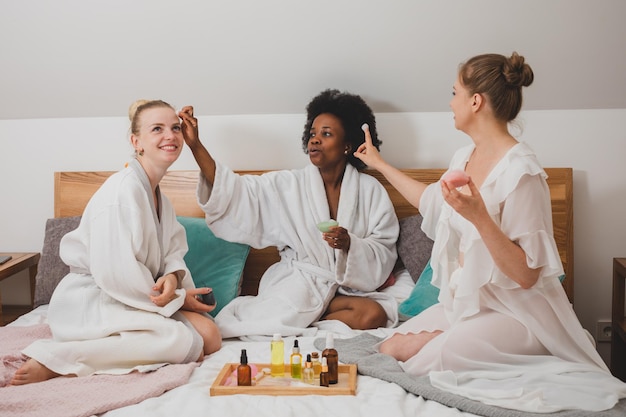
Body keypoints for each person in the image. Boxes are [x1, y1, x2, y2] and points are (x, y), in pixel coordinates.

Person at [353, 52, 626, 412]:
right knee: (391, 348)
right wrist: (378, 163)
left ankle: (534, 351)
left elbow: (528, 275)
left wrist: (481, 217)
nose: (451, 103)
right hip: (474, 305)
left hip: (519, 314)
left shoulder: (522, 173)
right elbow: (431, 202)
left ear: (475, 101)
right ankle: (456, 336)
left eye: (454, 93)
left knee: (423, 363)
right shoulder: (464, 157)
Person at [11, 100, 221, 386]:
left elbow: (173, 250)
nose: (170, 136)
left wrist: (173, 277)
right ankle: (58, 360)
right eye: (157, 129)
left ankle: (80, 353)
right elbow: (115, 273)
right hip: (95, 298)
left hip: (136, 294)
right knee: (184, 341)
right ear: (137, 141)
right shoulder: (121, 192)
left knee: (210, 336)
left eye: (175, 128)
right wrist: (180, 300)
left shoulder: (161, 199)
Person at [178, 89, 399, 339]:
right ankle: (303, 323)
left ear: (348, 144)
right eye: (313, 134)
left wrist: (351, 244)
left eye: (326, 134)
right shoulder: (289, 185)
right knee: (277, 314)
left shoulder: (370, 191)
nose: (315, 140)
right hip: (298, 284)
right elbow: (236, 193)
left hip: (345, 291)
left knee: (375, 314)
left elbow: (384, 248)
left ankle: (303, 326)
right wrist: (196, 146)